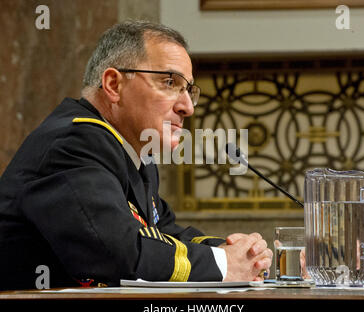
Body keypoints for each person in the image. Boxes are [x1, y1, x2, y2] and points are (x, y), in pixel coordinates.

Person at [0, 20, 272, 290]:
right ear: (113, 84)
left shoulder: (133, 154)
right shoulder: (73, 144)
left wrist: (241, 254)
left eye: (189, 90)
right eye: (169, 82)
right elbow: (118, 252)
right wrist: (222, 263)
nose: (187, 107)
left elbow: (164, 235)